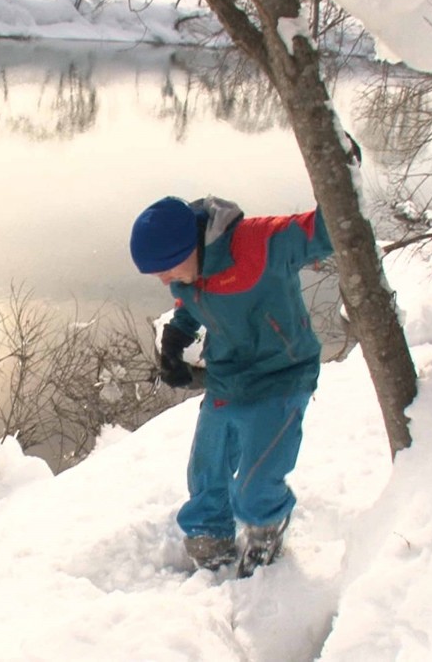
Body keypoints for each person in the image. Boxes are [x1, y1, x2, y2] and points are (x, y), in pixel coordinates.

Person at [129, 195, 333, 578]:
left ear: (190, 246)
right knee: (207, 468)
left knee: (257, 481)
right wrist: (176, 336)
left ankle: (264, 530)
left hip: (282, 377)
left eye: (165, 268)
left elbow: (325, 229)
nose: (163, 279)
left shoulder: (259, 242)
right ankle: (210, 532)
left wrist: (341, 172)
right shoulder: (189, 268)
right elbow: (191, 300)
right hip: (227, 377)